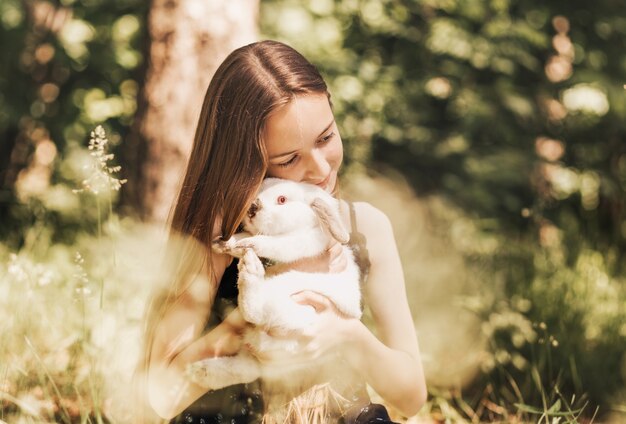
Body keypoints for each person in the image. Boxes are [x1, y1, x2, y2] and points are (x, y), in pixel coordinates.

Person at [136, 40, 427, 423]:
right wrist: (242, 331)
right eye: (289, 159)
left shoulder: (364, 226)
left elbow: (411, 398)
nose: (321, 169)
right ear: (246, 166)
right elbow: (151, 401)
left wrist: (346, 334)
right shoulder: (220, 239)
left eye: (326, 137)